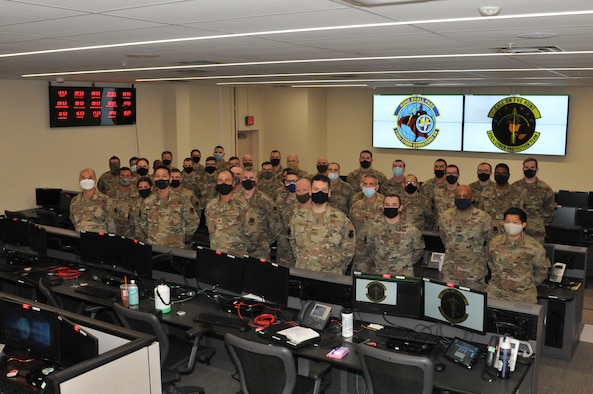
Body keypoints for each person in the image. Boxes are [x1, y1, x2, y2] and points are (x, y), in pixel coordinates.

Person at [289, 175, 355, 275]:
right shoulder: (298, 217)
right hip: (303, 272)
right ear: (310, 191)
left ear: (329, 193)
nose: (320, 192)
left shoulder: (341, 219)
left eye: (324, 190)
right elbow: (293, 242)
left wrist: (336, 267)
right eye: (316, 189)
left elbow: (349, 249)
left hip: (330, 275)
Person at [487, 208, 551, 304]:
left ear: (523, 224)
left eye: (515, 222)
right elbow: (490, 262)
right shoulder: (494, 243)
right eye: (507, 221)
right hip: (496, 293)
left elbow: (542, 270)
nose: (510, 225)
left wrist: (525, 283)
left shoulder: (534, 246)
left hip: (523, 296)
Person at [438, 185, 491, 290]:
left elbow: (490, 243)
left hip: (474, 273)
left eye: (465, 196)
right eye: (458, 196)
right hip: (451, 272)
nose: (462, 199)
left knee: (474, 304)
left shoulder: (483, 218)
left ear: (472, 198)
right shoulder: (445, 216)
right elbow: (444, 238)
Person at [139, 166, 200, 249]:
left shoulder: (181, 200)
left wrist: (180, 237)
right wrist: (154, 235)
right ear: (154, 179)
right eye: (157, 176)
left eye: (164, 176)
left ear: (170, 179)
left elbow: (193, 222)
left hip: (176, 247)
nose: (161, 179)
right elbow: (143, 223)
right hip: (154, 246)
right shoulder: (148, 202)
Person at [365, 195, 424, 276]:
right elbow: (370, 248)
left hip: (404, 274)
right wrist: (381, 262)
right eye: (387, 205)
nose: (390, 207)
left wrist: (404, 263)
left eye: (394, 205)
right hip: (381, 273)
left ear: (400, 208)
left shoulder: (411, 230)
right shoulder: (373, 229)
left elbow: (418, 250)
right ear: (383, 207)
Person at [233, 167, 281, 261]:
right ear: (241, 179)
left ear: (256, 180)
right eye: (245, 178)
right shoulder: (233, 199)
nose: (248, 180)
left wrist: (264, 242)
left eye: (251, 178)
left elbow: (275, 225)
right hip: (238, 249)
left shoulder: (266, 201)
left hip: (260, 251)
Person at [205, 170, 257, 257]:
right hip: (216, 254)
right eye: (220, 180)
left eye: (227, 180)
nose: (223, 183)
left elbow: (253, 235)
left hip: (236, 256)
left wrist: (241, 250)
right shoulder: (210, 205)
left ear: (233, 183)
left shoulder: (242, 206)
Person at [511, 158, 557, 242]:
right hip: (516, 230)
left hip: (536, 232)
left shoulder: (544, 188)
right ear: (522, 169)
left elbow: (550, 209)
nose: (529, 169)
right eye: (526, 167)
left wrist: (540, 222)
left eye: (532, 167)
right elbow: (510, 207)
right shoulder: (514, 186)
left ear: (537, 169)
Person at [349, 174, 384, 272]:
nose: (368, 187)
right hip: (360, 254)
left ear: (377, 187)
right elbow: (350, 230)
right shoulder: (355, 206)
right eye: (365, 184)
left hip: (379, 253)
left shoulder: (385, 204)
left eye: (371, 184)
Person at [479, 163, 526, 235]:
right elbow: (480, 214)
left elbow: (520, 216)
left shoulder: (517, 193)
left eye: (503, 173)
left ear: (508, 175)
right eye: (498, 173)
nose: (500, 175)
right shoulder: (486, 192)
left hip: (509, 234)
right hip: (489, 233)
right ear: (494, 174)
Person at [70, 168, 115, 233]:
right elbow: (74, 222)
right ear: (79, 180)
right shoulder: (74, 201)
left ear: (95, 180)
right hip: (80, 238)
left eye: (90, 178)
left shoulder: (105, 200)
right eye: (83, 178)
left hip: (99, 239)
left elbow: (111, 225)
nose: (86, 180)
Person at [275, 172, 305, 267]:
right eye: (289, 181)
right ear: (284, 183)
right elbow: (275, 223)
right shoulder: (279, 201)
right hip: (284, 247)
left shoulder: (304, 201)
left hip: (301, 246)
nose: (292, 183)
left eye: (295, 181)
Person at [107, 167, 138, 238]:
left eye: (128, 176)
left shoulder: (137, 194)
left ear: (132, 177)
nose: (125, 178)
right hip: (116, 234)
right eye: (123, 176)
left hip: (134, 235)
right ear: (118, 177)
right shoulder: (110, 194)